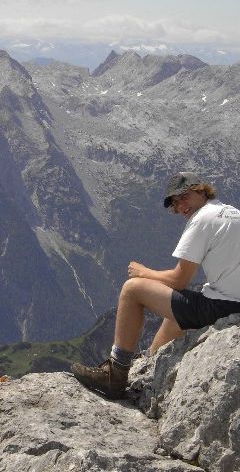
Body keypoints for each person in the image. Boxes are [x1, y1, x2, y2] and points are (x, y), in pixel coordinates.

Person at [72, 171, 240, 399]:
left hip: (223, 307)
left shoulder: (202, 219)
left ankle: (115, 374)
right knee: (178, 311)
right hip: (231, 301)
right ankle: (150, 364)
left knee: (132, 289)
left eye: (184, 197)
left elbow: (179, 280)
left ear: (201, 190)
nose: (181, 206)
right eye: (175, 203)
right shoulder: (232, 212)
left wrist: (143, 272)